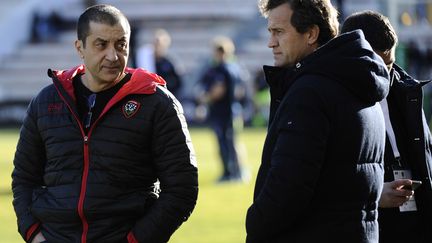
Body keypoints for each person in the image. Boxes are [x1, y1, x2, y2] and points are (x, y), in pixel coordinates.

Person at [12, 4, 198, 243]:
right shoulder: (46, 101)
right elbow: (24, 178)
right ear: (80, 47)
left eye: (121, 45)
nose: (113, 55)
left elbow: (182, 188)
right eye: (101, 44)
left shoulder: (157, 104)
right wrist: (34, 235)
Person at [246, 1, 390, 242]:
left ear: (311, 34)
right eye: (270, 32)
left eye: (279, 32)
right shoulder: (359, 81)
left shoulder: (310, 93)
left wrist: (255, 222)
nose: (271, 42)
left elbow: (287, 192)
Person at [341, 10, 432, 243]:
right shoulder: (333, 100)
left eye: (389, 64)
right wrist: (375, 194)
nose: (384, 73)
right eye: (377, 65)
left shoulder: (406, 90)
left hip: (414, 218)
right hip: (368, 224)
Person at [198, 36, 249, 183]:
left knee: (225, 143)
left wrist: (205, 99)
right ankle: (239, 172)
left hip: (223, 113)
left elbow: (218, 90)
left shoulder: (221, 69)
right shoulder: (235, 68)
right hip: (233, 110)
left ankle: (229, 173)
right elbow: (240, 91)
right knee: (234, 142)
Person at [152, 29, 184, 99]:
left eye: (159, 45)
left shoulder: (170, 63)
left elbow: (178, 83)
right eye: (155, 44)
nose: (157, 48)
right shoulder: (147, 61)